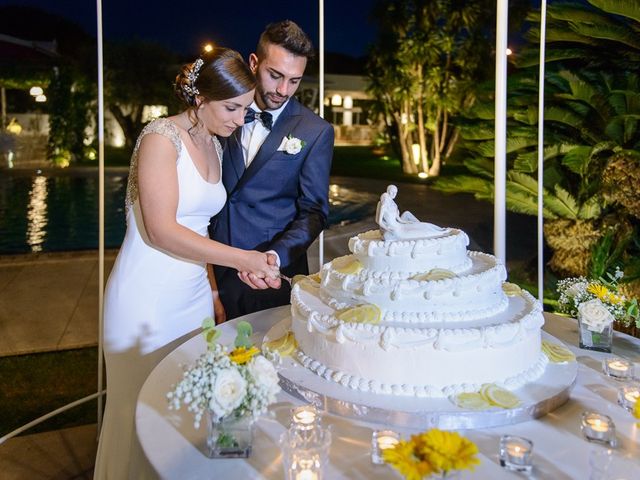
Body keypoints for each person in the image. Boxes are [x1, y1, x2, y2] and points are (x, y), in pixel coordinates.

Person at [94, 48, 278, 480]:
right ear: (200, 98)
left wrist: (218, 285)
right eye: (231, 107)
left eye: (244, 109)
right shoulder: (161, 138)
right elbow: (161, 230)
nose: (239, 119)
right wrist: (241, 258)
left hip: (191, 297)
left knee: (183, 414)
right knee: (137, 413)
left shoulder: (214, 143)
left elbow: (202, 231)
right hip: (146, 299)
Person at [210, 20, 334, 321]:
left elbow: (314, 211)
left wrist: (274, 258)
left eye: (294, 80)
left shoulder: (315, 131)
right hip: (210, 268)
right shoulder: (220, 111)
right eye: (275, 75)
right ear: (254, 63)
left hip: (268, 279)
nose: (282, 90)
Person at [376, 184, 449, 240]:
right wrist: (388, 229)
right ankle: (441, 233)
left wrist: (408, 223)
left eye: (395, 193)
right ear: (388, 192)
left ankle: (440, 229)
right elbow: (378, 221)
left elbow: (399, 220)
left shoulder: (393, 205)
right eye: (392, 192)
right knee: (420, 233)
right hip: (396, 231)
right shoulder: (383, 205)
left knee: (422, 225)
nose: (394, 194)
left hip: (401, 225)